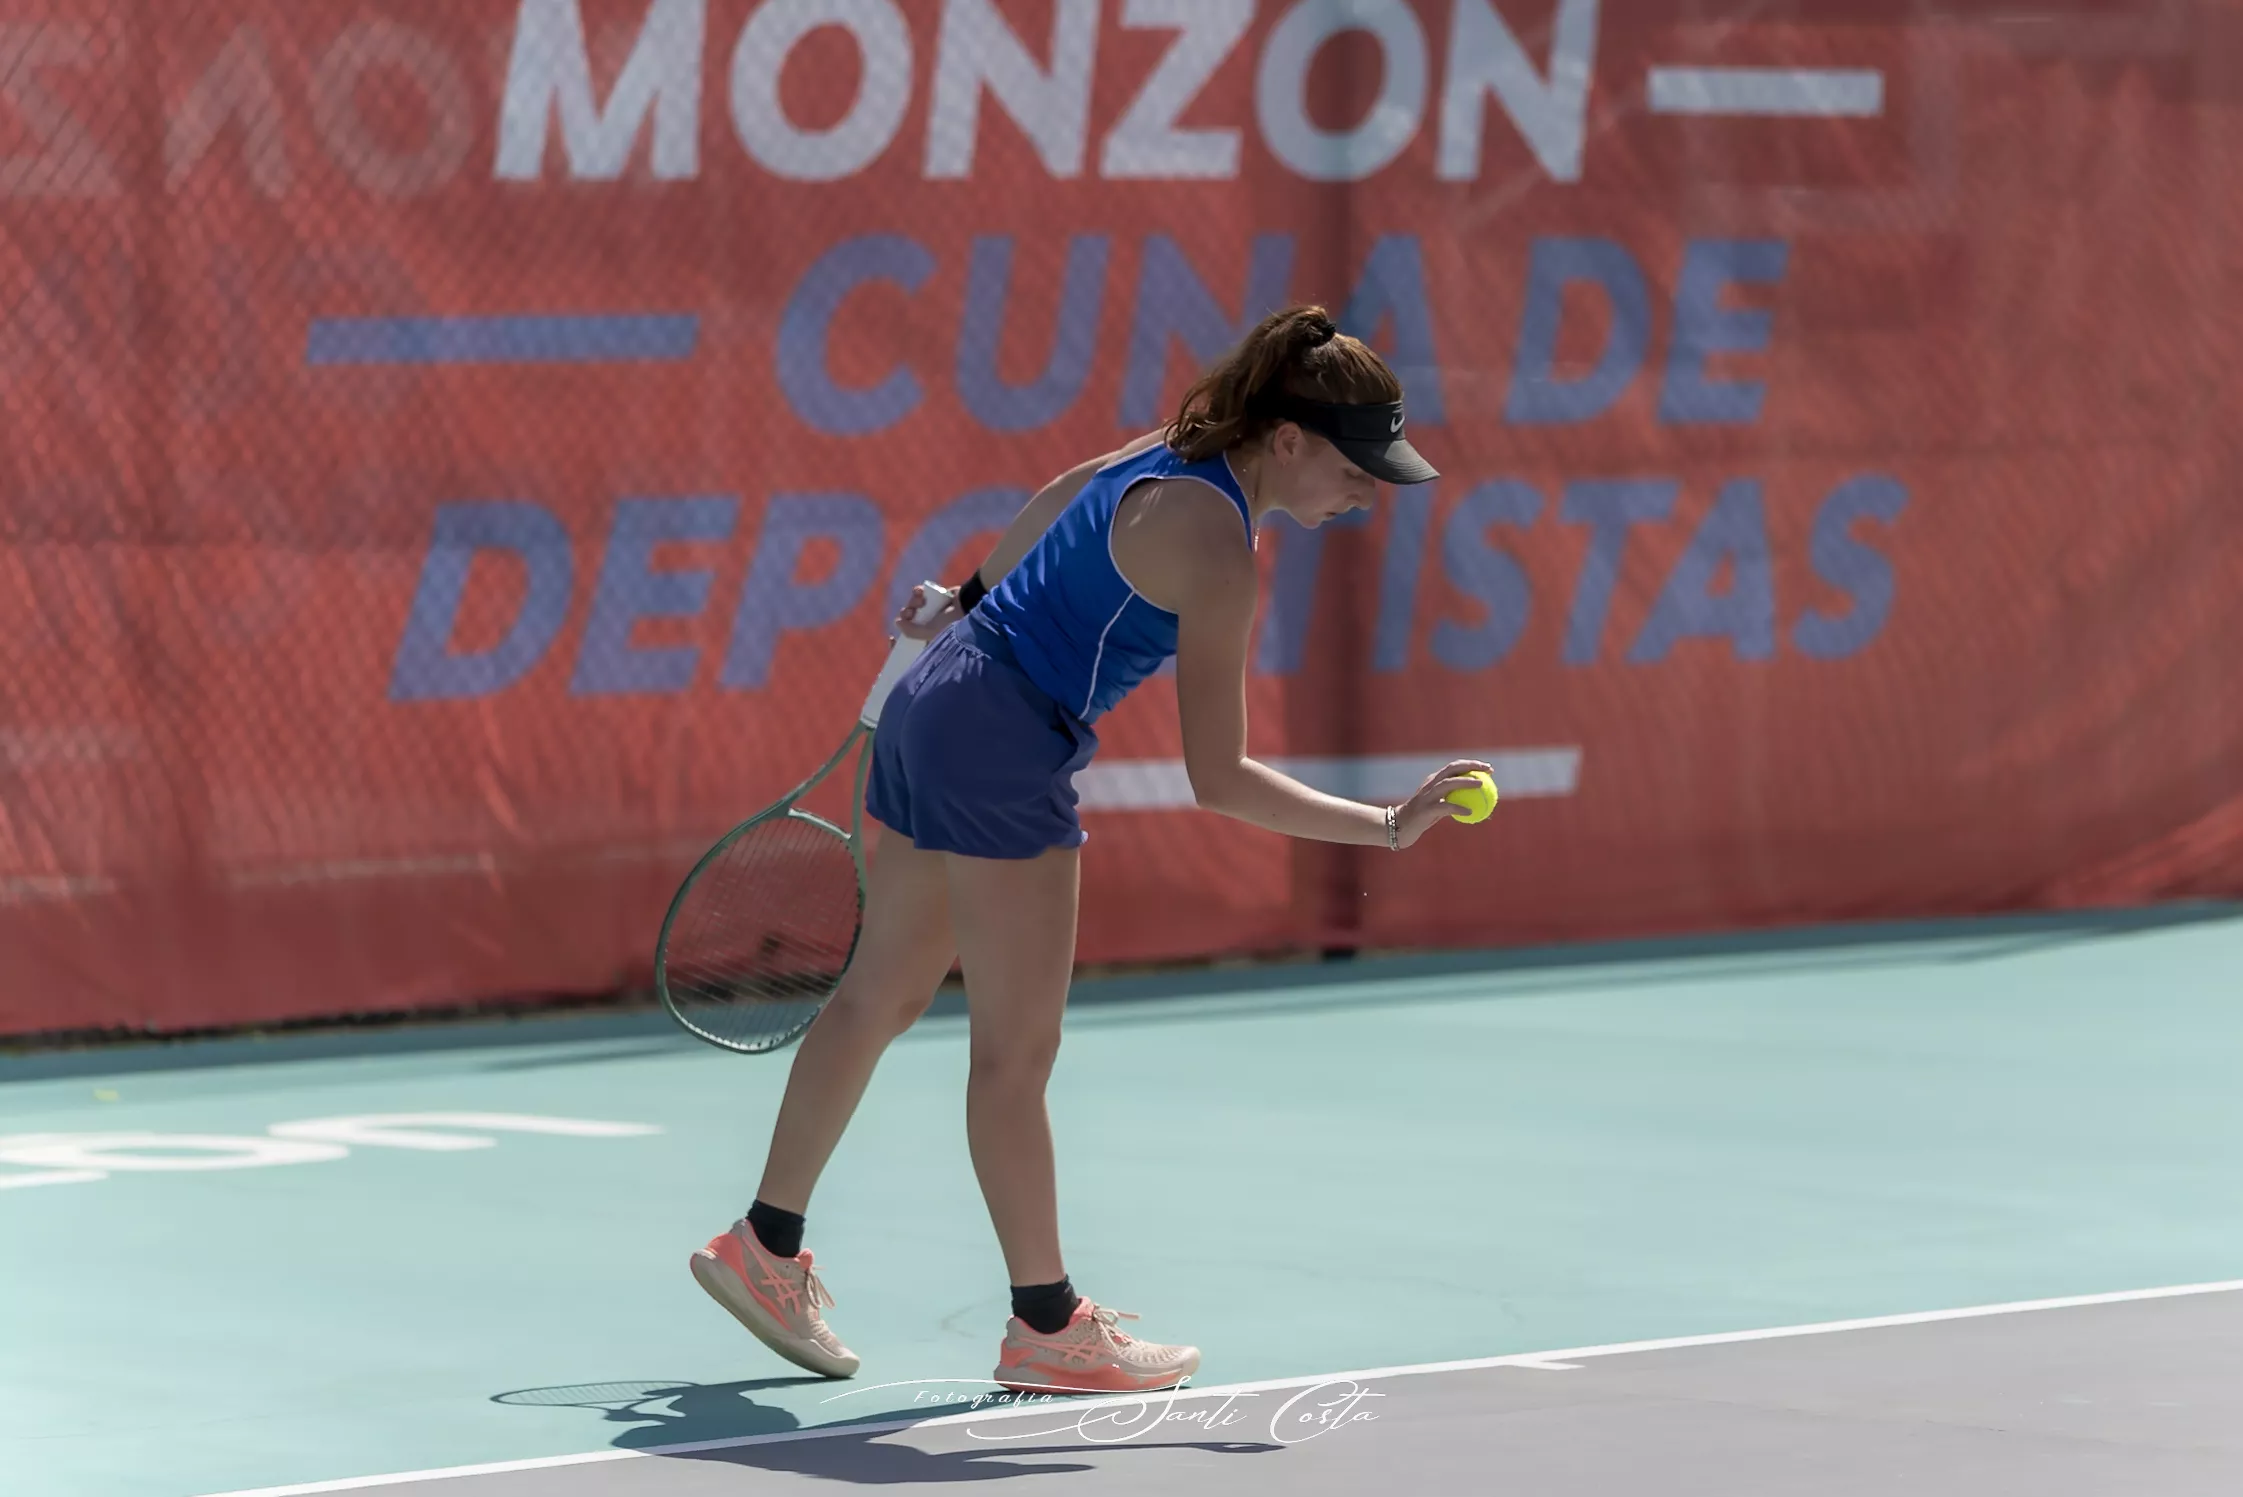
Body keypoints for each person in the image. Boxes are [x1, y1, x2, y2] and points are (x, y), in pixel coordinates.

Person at [690, 304, 1493, 1397]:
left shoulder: (1179, 446)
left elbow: (1050, 496)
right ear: (1290, 441)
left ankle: (763, 1246)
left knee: (877, 996)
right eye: (1356, 471)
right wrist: (1385, 826)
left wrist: (966, 600)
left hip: (940, 695)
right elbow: (1221, 779)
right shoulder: (1220, 550)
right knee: (1014, 1059)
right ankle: (1046, 1326)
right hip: (1006, 744)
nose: (1367, 495)